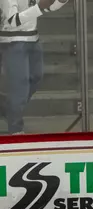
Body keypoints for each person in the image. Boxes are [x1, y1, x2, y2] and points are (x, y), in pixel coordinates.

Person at [0, 0, 68, 134]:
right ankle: (16, 129)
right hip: (13, 41)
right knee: (20, 86)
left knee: (36, 78)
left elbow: (46, 7)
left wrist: (60, 2)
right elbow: (12, 21)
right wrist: (39, 7)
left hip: (33, 39)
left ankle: (7, 109)